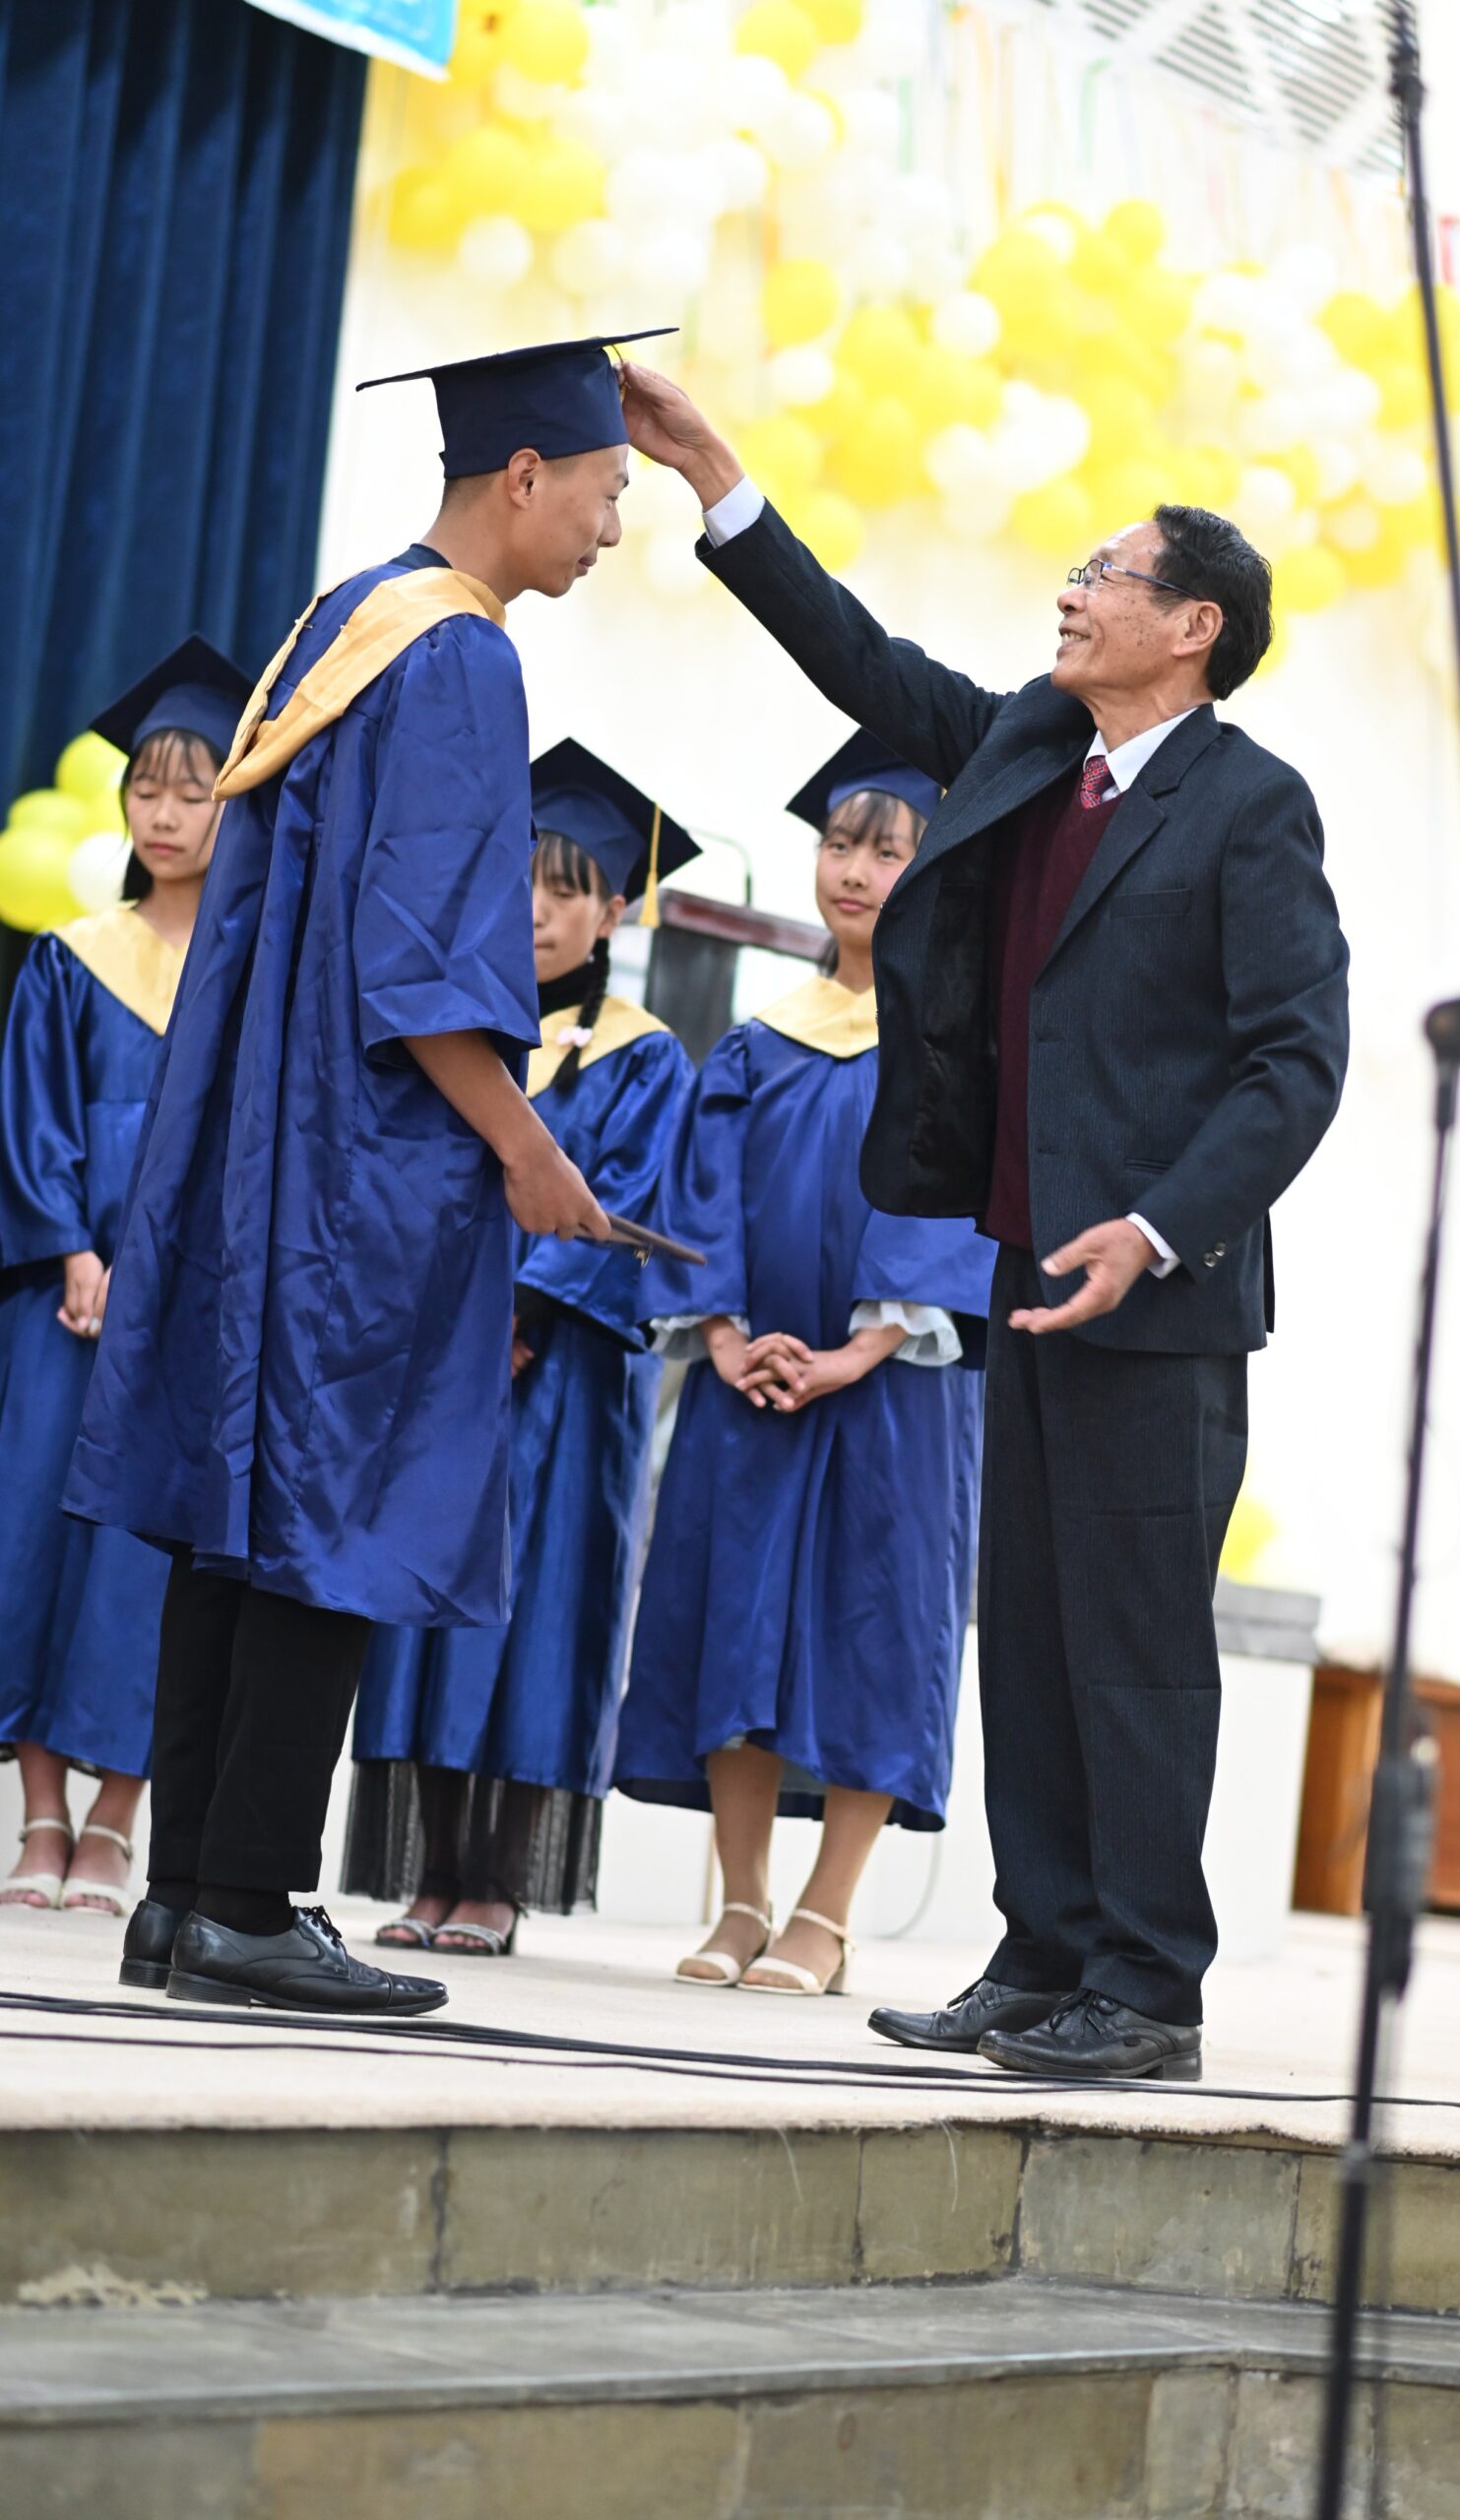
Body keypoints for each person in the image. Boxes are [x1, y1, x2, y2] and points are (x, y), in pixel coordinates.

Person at [619, 363, 1350, 2076]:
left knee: (1133, 1648)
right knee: (1023, 1633)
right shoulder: (1030, 747)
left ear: (1190, 626)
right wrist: (715, 476)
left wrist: (1153, 1229)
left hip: (1152, 1296)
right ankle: (1040, 1955)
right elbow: (862, 664)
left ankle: (1145, 1990)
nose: (1069, 591)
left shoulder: (1249, 805)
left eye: (1104, 572)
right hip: (1022, 1268)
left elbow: (1293, 1064)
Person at [65, 333, 669, 2016]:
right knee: (336, 1510)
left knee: (237, 1513)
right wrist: (528, 1151)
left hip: (261, 1147)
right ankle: (252, 1900)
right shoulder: (459, 659)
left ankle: (184, 1902)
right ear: (524, 474)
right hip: (371, 1167)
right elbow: (422, 971)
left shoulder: (340, 622)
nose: (612, 528)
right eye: (606, 490)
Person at [613, 734, 994, 1998]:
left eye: (888, 852)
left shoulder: (953, 1043)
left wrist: (857, 1350)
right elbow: (700, 1203)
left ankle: (825, 1915)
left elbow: (949, 1215)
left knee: (872, 1628)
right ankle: (739, 1902)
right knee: (736, 1619)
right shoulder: (755, 1044)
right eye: (840, 844)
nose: (855, 871)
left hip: (893, 1390)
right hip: (755, 1382)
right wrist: (727, 1340)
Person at [346, 741, 698, 1958]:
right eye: (520, 880)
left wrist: (521, 1315)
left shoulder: (646, 1055)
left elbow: (633, 1208)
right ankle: (431, 1870)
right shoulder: (457, 1036)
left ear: (615, 911)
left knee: (538, 1610)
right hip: (434, 1371)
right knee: (420, 1610)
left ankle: (496, 1879)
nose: (538, 909)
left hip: (563, 1381)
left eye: (567, 887)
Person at [0, 640, 247, 1918]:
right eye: (147, 787)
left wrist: (162, 1275)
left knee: (151, 1564)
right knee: (34, 1533)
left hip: (190, 1315)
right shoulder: (72, 957)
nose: (164, 812)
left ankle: (114, 1820)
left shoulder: (253, 978)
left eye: (194, 790)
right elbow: (31, 1119)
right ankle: (40, 1812)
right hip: (67, 1302)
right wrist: (74, 1249)